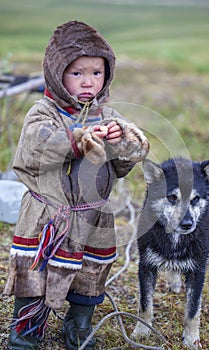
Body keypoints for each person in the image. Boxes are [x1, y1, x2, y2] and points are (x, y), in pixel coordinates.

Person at [4, 20, 149, 350]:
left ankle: (79, 323)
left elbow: (123, 164)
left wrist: (121, 141)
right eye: (77, 73)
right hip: (46, 213)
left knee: (89, 271)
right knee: (35, 271)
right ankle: (26, 327)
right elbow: (35, 148)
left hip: (92, 213)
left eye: (96, 73)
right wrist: (79, 139)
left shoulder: (106, 115)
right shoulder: (44, 112)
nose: (88, 82)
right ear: (57, 73)